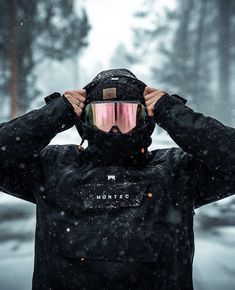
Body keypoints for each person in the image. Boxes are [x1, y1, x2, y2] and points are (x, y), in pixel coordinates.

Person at [0, 68, 234, 290]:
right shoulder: (53, 167)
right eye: (103, 117)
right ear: (84, 121)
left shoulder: (176, 171)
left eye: (125, 117)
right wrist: (52, 115)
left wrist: (173, 113)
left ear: (145, 119)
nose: (114, 129)